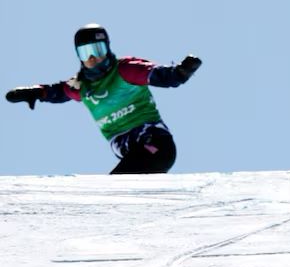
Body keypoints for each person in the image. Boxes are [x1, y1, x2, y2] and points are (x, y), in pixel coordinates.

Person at [5, 24, 202, 174]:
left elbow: (162, 76)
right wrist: (35, 92)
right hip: (131, 153)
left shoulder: (125, 69)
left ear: (107, 48)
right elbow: (58, 92)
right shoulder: (82, 86)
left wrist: (181, 72)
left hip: (156, 146)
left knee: (113, 190)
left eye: (97, 50)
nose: (93, 58)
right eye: (86, 53)